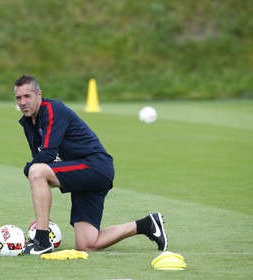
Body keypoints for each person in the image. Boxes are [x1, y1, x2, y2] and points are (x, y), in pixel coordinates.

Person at [13, 75, 168, 255]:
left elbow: (46, 156)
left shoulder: (53, 109)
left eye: (27, 96)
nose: (23, 102)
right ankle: (147, 224)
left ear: (39, 94)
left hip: (96, 167)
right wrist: (42, 218)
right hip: (83, 173)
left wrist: (42, 225)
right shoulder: (28, 123)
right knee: (87, 244)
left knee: (35, 170)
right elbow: (44, 162)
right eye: (18, 98)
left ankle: (41, 241)